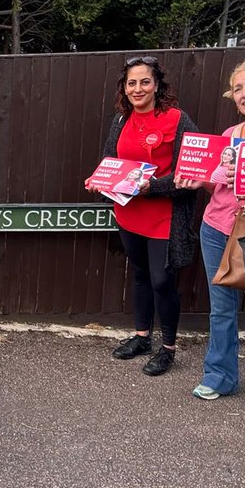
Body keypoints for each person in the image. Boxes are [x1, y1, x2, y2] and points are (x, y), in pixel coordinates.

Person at [175, 60, 245, 424]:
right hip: (217, 226)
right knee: (221, 308)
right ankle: (220, 376)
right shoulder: (230, 134)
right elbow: (216, 184)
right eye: (238, 89)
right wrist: (198, 179)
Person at [85, 55, 198, 376]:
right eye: (131, 82)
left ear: (157, 85)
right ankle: (142, 337)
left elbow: (190, 172)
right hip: (129, 214)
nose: (138, 88)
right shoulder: (120, 120)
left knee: (163, 281)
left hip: (164, 217)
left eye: (144, 81)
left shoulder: (177, 120)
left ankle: (168, 348)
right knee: (139, 275)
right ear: (125, 87)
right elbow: (109, 160)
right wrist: (98, 180)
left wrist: (153, 188)